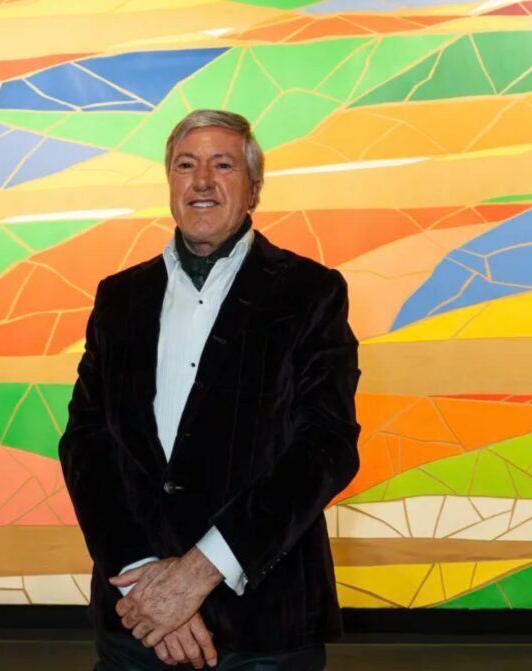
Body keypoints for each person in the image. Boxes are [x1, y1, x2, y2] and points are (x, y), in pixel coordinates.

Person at [59, 109, 360, 670]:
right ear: (170, 183)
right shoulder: (119, 298)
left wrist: (197, 573)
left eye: (222, 165)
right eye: (185, 165)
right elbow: (86, 444)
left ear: (254, 188)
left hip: (265, 627)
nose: (201, 181)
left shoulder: (310, 292)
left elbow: (326, 447)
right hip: (136, 620)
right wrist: (145, 581)